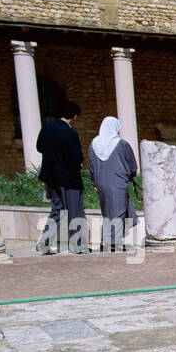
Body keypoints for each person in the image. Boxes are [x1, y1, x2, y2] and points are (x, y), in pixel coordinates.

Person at [36, 101, 86, 254]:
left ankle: (44, 243)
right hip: (69, 178)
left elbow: (39, 147)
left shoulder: (47, 128)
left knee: (56, 210)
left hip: (51, 177)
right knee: (74, 211)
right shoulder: (70, 134)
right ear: (75, 116)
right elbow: (77, 156)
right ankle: (77, 246)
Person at [88, 116, 138, 251]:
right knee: (118, 212)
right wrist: (131, 175)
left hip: (101, 183)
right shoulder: (121, 144)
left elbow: (91, 166)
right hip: (118, 182)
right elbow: (132, 164)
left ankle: (107, 241)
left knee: (107, 212)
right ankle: (110, 243)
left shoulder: (94, 144)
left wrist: (94, 183)